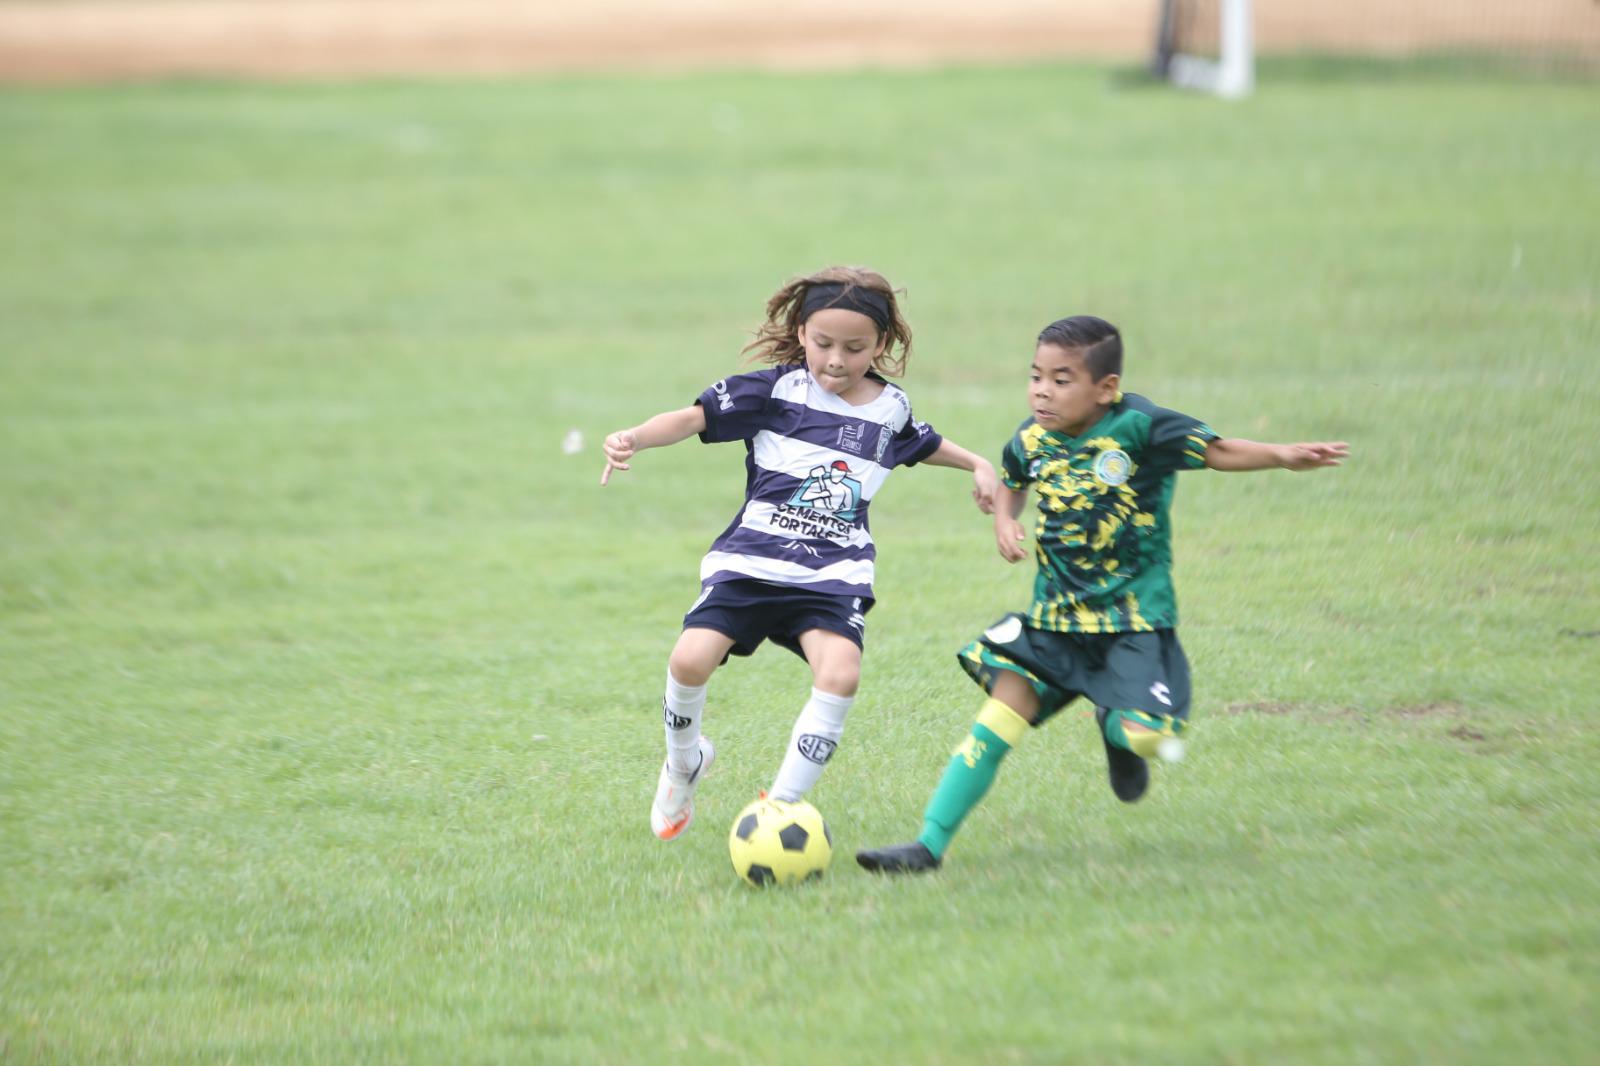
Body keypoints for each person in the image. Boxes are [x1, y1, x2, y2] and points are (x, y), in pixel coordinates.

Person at [856, 315, 1348, 874]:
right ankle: (927, 846)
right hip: (1055, 623)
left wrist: (1282, 456)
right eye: (1036, 375)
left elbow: (1217, 451)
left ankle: (1115, 728)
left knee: (1145, 737)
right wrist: (1004, 522)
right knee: (995, 722)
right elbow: (1015, 483)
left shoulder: (1141, 427)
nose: (1043, 389)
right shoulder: (1030, 439)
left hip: (1132, 623)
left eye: (1062, 379)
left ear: (1105, 388)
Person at [600, 266, 1000, 841]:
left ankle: (780, 806)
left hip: (832, 575)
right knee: (689, 661)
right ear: (802, 333)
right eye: (823, 344)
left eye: (855, 348)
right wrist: (633, 436)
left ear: (881, 345)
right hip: (751, 563)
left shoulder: (890, 409)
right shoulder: (775, 391)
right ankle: (683, 761)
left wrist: (978, 464)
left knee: (841, 673)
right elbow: (691, 419)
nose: (836, 360)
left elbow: (925, 443)